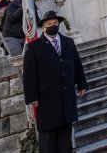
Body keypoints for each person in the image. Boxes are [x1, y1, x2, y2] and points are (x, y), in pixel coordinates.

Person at [23, 10, 88, 153]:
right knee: (48, 140)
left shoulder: (68, 42)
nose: (53, 25)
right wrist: (32, 97)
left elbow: (76, 63)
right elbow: (29, 75)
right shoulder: (34, 47)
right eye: (49, 24)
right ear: (43, 26)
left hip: (66, 97)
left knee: (65, 137)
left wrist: (82, 84)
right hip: (46, 99)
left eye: (55, 23)